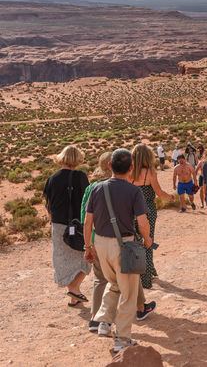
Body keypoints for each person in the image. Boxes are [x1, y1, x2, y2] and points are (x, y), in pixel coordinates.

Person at [83, 148, 153, 353]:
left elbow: (88, 222)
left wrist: (88, 247)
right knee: (129, 293)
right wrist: (147, 239)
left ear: (108, 166)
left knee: (113, 284)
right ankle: (122, 338)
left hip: (101, 244)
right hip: (124, 246)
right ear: (131, 168)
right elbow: (143, 222)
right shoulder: (133, 191)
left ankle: (104, 321)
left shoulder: (97, 188)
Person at [43, 145, 91, 307]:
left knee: (62, 260)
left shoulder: (52, 179)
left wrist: (54, 223)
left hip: (58, 225)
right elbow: (88, 203)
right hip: (79, 226)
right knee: (87, 259)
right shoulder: (81, 177)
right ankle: (75, 290)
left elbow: (48, 205)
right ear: (77, 158)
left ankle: (74, 295)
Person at [131, 144, 175, 289]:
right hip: (148, 210)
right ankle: (146, 278)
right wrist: (170, 197)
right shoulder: (150, 172)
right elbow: (159, 192)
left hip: (131, 212)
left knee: (134, 242)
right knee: (148, 241)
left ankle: (138, 274)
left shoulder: (128, 172)